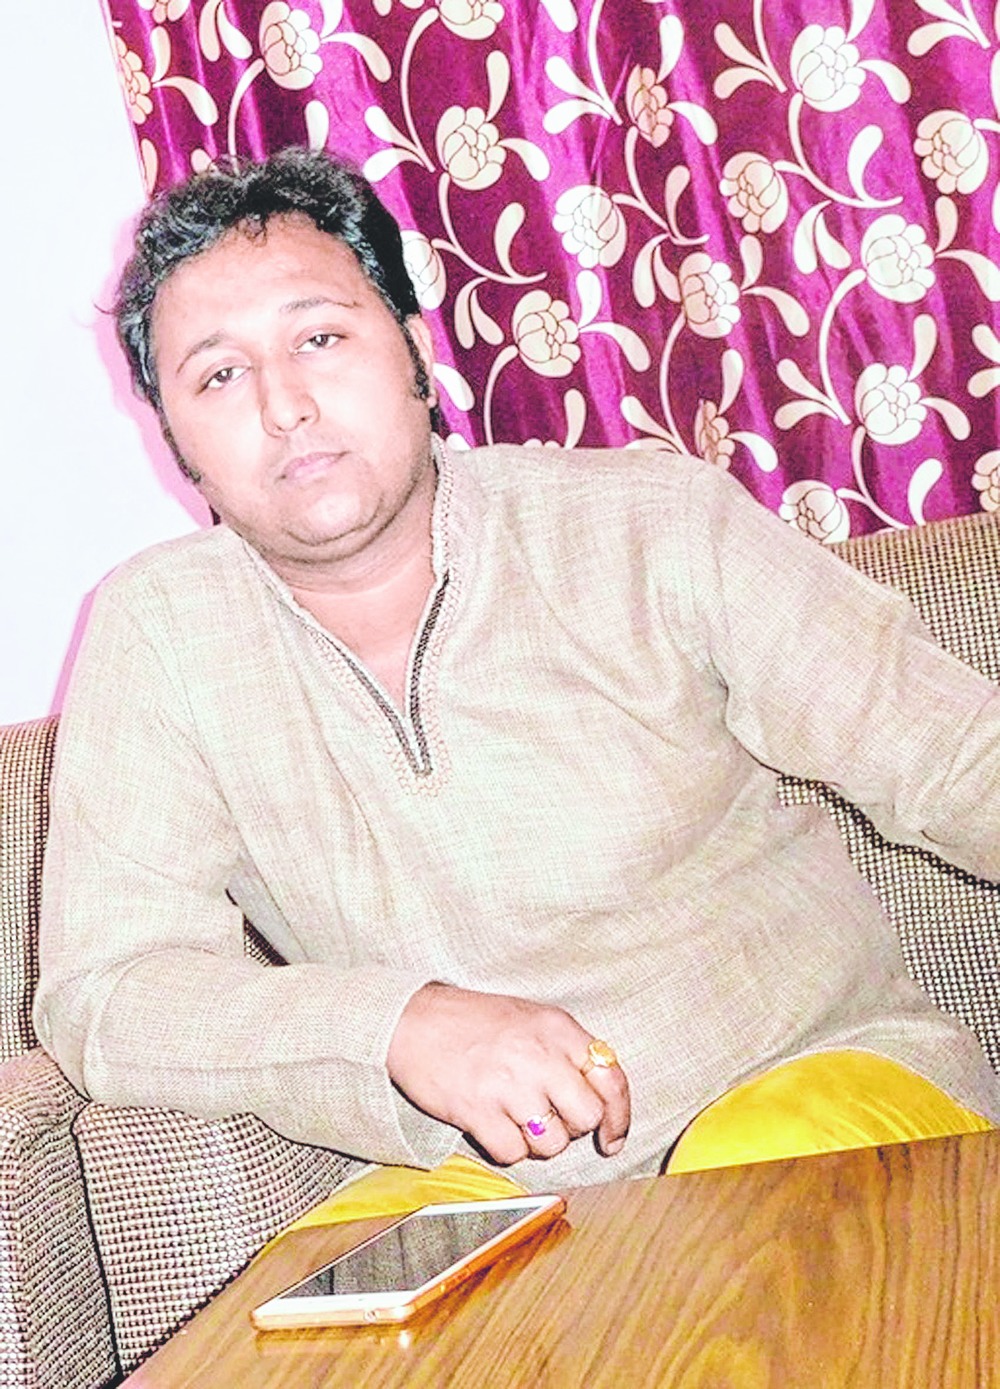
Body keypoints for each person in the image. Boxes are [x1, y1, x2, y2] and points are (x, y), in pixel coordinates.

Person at [34, 148, 999, 1202]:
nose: (284, 406)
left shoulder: (651, 524)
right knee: (333, 1302)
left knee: (755, 1191)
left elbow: (956, 757)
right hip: (482, 1189)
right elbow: (107, 991)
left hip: (818, 1093)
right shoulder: (161, 635)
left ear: (414, 351)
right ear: (177, 440)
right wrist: (395, 1026)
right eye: (219, 375)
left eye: (320, 338)